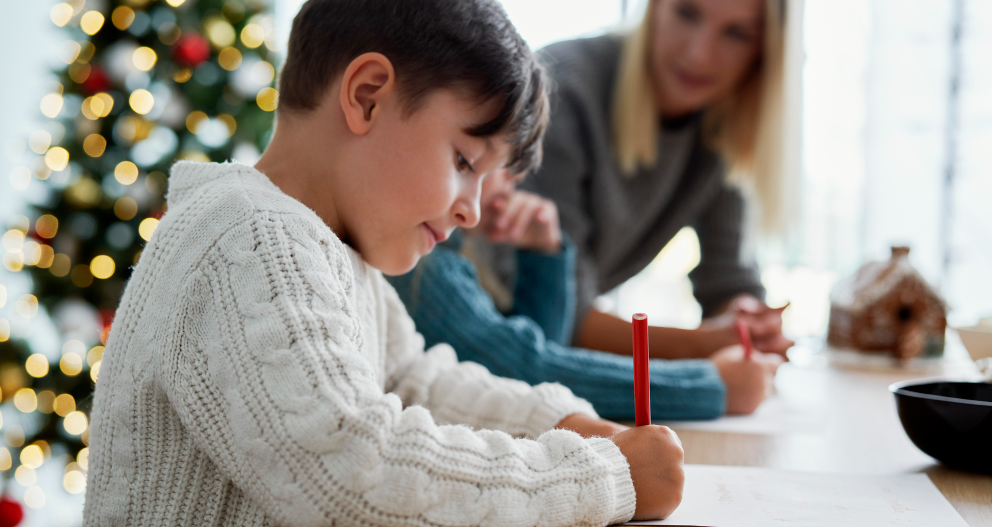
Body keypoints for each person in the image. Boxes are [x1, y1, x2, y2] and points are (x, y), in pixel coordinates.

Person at [82, 1, 686, 525]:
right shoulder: (249, 235)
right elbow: (352, 469)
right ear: (367, 96)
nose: (472, 212)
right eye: (465, 162)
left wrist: (572, 424)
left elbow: (418, 383)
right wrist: (604, 475)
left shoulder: (340, 254)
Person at [506, 0, 795, 362]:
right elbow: (559, 314)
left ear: (762, 52)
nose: (699, 55)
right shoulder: (563, 89)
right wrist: (705, 344)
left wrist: (746, 319)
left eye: (736, 34)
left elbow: (728, 279)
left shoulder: (722, 122)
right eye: (687, 13)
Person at [389, 168, 782, 420]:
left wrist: (543, 256)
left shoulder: (450, 254)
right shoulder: (425, 266)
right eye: (492, 163)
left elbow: (534, 355)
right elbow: (529, 372)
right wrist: (710, 386)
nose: (511, 186)